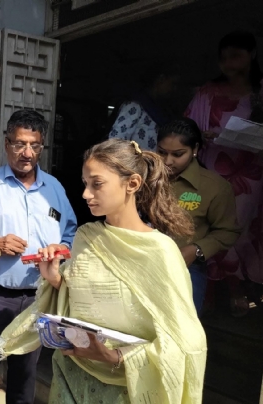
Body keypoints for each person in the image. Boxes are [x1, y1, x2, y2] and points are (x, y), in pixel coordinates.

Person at [0, 139, 207, 404]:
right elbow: (83, 299)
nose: (85, 194)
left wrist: (118, 356)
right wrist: (55, 280)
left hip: (127, 394)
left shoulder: (160, 253)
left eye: (97, 184)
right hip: (72, 377)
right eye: (85, 184)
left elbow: (186, 342)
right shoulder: (85, 236)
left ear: (132, 183)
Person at [0, 109, 77, 404]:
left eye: (34, 145)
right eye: (19, 144)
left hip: (37, 296)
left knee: (26, 375)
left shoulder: (54, 189)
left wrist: (61, 248)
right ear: (6, 144)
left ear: (42, 147)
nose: (26, 153)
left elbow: (71, 231)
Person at [186, 30, 263, 316]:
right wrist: (199, 135)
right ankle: (221, 291)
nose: (229, 64)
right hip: (212, 170)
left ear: (252, 55)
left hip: (251, 175)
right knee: (208, 226)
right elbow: (186, 128)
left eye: (236, 56)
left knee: (239, 231)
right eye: (224, 58)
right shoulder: (208, 92)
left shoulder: (260, 92)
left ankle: (240, 287)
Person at [157, 118, 240, 314]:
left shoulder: (214, 187)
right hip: (139, 262)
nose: (168, 161)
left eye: (178, 154)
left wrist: (196, 250)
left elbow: (227, 231)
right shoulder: (145, 177)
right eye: (161, 152)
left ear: (195, 149)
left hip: (185, 268)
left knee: (181, 331)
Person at [109, 63, 179, 150]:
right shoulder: (134, 107)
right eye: (173, 84)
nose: (174, 89)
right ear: (161, 79)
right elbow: (114, 144)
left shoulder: (163, 112)